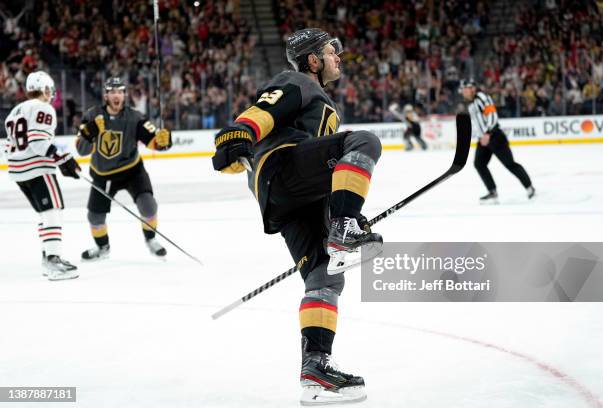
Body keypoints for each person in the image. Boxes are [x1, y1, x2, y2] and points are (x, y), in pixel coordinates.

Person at [212, 28, 382, 405]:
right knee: (364, 141)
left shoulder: (322, 102)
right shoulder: (297, 82)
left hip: (292, 199)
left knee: (325, 276)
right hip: (283, 169)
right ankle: (344, 227)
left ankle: (315, 369)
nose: (339, 55)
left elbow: (328, 171)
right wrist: (238, 133)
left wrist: (347, 208)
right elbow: (262, 110)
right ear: (312, 60)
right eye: (330, 50)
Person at [76, 77, 172, 260]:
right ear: (106, 95)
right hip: (103, 174)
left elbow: (153, 141)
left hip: (132, 171)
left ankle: (151, 240)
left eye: (120, 91)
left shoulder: (134, 117)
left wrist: (163, 143)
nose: (116, 95)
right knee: (95, 218)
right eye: (112, 92)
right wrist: (91, 130)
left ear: (124, 95)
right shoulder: (91, 115)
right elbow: (81, 150)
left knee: (149, 207)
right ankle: (102, 248)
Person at [3, 71, 80, 280]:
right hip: (38, 168)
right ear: (45, 89)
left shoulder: (14, 112)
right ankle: (53, 260)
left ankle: (48, 256)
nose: (51, 94)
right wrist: (63, 158)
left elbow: (10, 146)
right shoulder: (43, 107)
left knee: (44, 213)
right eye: (50, 90)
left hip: (18, 172)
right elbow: (38, 143)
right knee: (53, 210)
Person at [461, 78, 535, 203]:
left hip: (494, 136)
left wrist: (488, 133)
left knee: (509, 164)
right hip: (484, 139)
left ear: (472, 88)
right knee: (479, 164)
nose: (463, 92)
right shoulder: (471, 103)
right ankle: (492, 192)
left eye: (465, 89)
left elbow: (493, 116)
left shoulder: (482, 98)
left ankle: (529, 187)